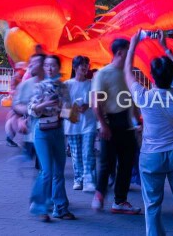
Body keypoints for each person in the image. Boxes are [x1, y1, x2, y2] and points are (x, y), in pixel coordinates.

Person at [124, 30, 173, 236]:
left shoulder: (144, 96)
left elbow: (127, 72)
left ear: (152, 77)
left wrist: (133, 45)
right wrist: (166, 48)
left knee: (152, 205)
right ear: (172, 77)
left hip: (151, 156)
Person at [91, 39, 142, 214]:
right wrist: (103, 125)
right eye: (129, 51)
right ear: (120, 53)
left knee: (127, 163)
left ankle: (120, 201)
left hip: (126, 123)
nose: (132, 55)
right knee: (107, 162)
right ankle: (99, 193)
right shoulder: (103, 74)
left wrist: (137, 122)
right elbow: (96, 103)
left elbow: (132, 101)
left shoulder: (129, 74)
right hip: (109, 122)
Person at [28, 55, 75, 222]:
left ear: (58, 67)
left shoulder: (63, 87)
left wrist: (73, 112)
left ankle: (60, 208)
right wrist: (45, 104)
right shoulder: (39, 86)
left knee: (59, 172)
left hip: (57, 130)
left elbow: (68, 111)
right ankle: (40, 207)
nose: (49, 68)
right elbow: (31, 109)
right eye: (47, 65)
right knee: (47, 171)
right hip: (42, 131)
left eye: (53, 65)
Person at [65, 56, 97, 192]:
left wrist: (88, 105)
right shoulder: (67, 85)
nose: (84, 67)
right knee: (76, 154)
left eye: (86, 64)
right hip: (73, 124)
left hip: (89, 124)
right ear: (74, 67)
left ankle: (89, 179)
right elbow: (62, 107)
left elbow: (98, 101)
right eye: (81, 65)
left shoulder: (92, 84)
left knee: (88, 152)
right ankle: (78, 179)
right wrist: (74, 110)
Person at [13, 54, 45, 169]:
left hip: (48, 131)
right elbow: (16, 105)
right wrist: (24, 115)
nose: (31, 65)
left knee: (44, 167)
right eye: (31, 62)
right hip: (31, 133)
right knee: (40, 167)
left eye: (35, 62)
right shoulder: (25, 85)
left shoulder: (52, 84)